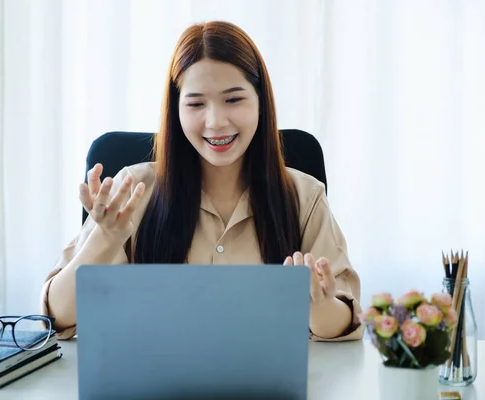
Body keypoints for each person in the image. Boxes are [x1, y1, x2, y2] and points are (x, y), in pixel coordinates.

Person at [40, 20, 363, 342]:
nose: (215, 122)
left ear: (261, 103)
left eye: (234, 100)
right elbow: (57, 319)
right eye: (195, 104)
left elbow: (344, 323)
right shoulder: (135, 189)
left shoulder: (303, 195)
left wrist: (317, 305)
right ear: (176, 111)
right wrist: (105, 239)